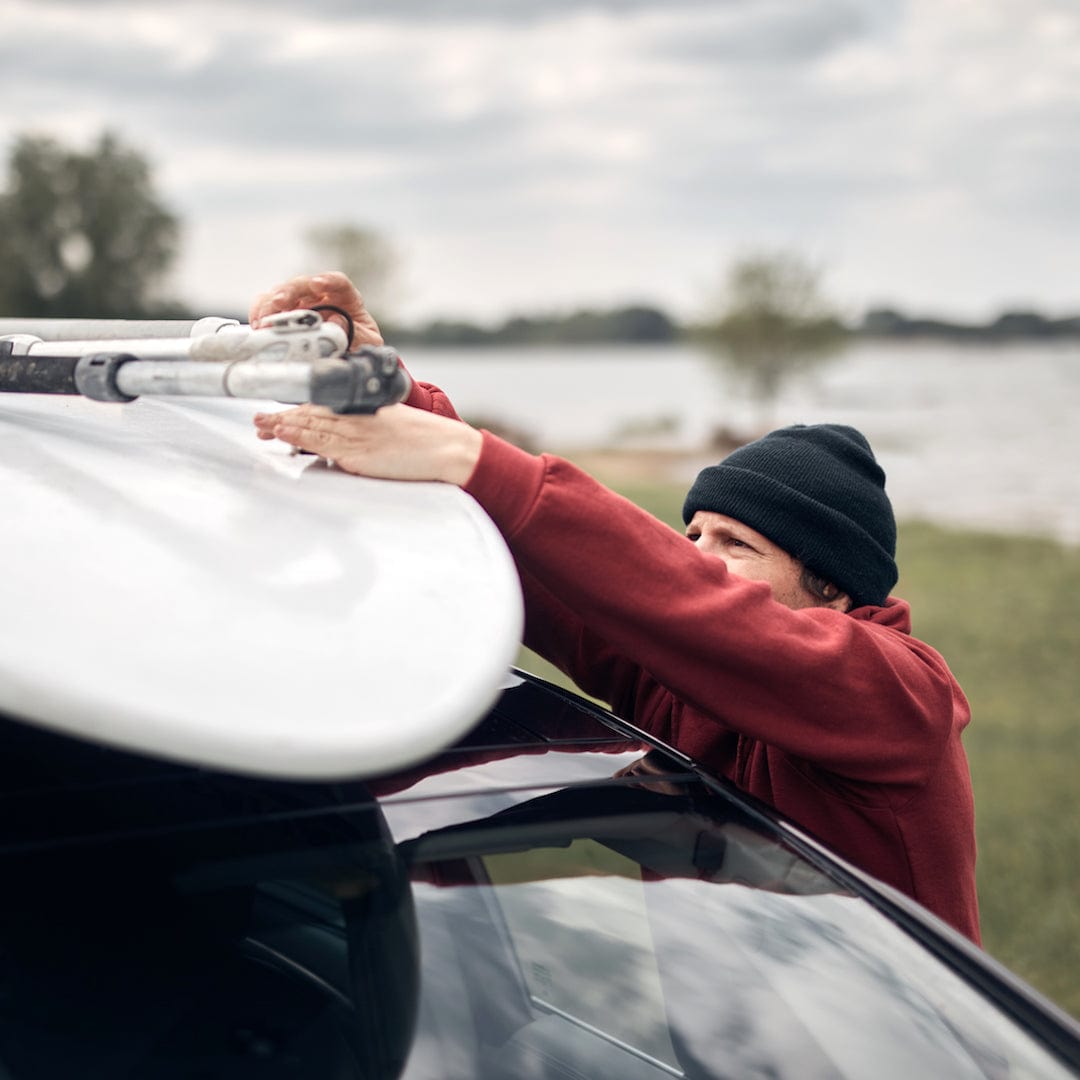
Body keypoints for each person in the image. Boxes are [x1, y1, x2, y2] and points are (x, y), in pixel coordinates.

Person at [250, 272, 980, 943]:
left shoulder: (898, 701)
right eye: (691, 533)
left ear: (837, 591)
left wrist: (473, 458)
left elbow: (701, 609)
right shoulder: (685, 684)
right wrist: (400, 402)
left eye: (736, 544)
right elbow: (575, 579)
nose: (696, 556)